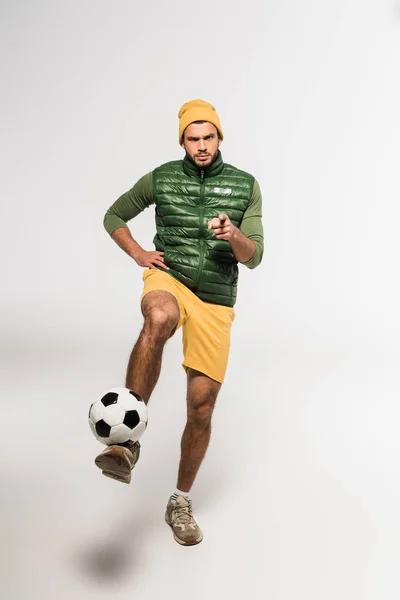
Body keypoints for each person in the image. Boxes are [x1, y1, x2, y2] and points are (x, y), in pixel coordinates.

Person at [95, 99, 264, 546]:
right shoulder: (162, 178)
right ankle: (124, 442)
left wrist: (235, 235)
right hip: (168, 277)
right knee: (159, 316)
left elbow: (255, 257)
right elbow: (114, 215)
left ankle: (179, 502)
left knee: (202, 406)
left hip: (216, 299)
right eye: (194, 138)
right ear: (183, 142)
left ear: (220, 138)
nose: (202, 146)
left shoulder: (245, 186)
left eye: (209, 137)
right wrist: (138, 253)